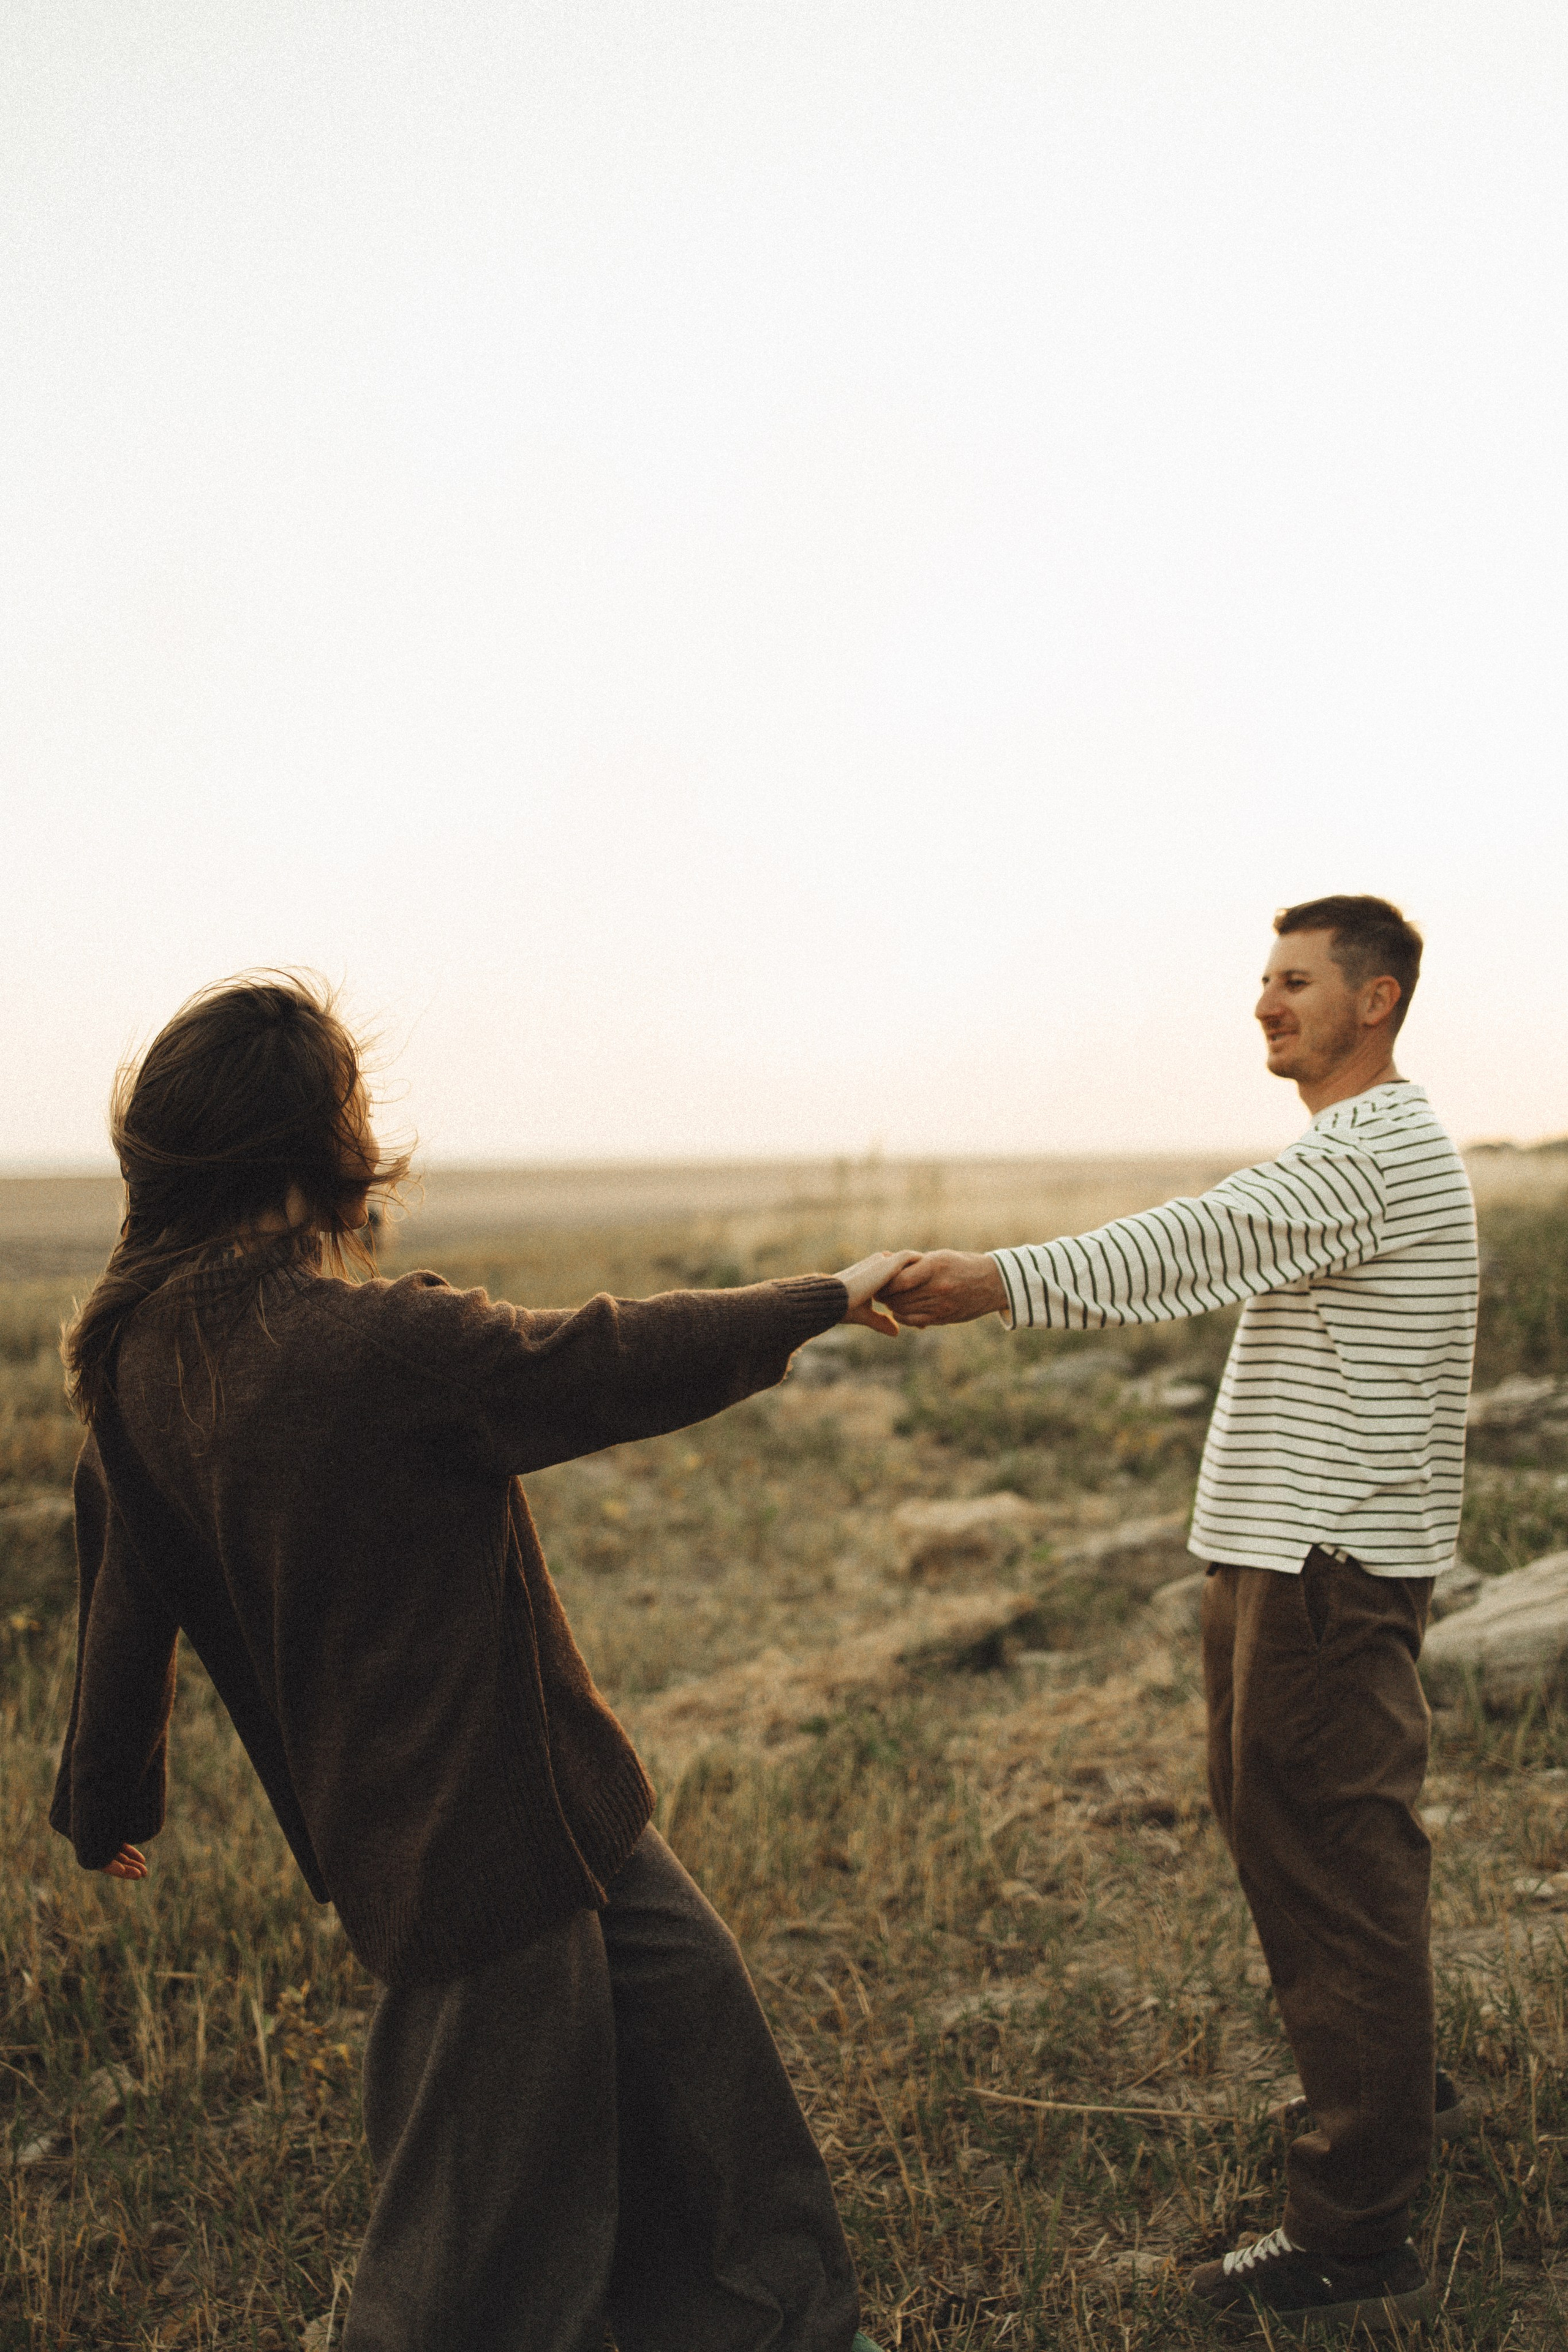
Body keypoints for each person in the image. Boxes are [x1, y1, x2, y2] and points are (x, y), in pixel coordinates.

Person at [52, 972, 907, 2352]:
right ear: (316, 1142)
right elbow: (605, 1358)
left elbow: (117, 1585)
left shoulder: (145, 1357)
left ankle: (781, 2332)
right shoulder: (365, 1344)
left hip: (554, 1798)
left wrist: (107, 1799)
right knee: (469, 2262)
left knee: (699, 2055)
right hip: (455, 1845)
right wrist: (822, 1295)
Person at [881, 895, 1477, 2335]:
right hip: (1286, 1554)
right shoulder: (1351, 1155)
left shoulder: (1375, 1155)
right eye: (1261, 982)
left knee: (1332, 1860)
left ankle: (1355, 2232)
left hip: (1322, 1565)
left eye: (1294, 983)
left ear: (1375, 1000)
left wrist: (994, 1281)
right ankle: (1384, 2101)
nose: (1265, 1005)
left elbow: (1188, 1243)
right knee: (1300, 1841)